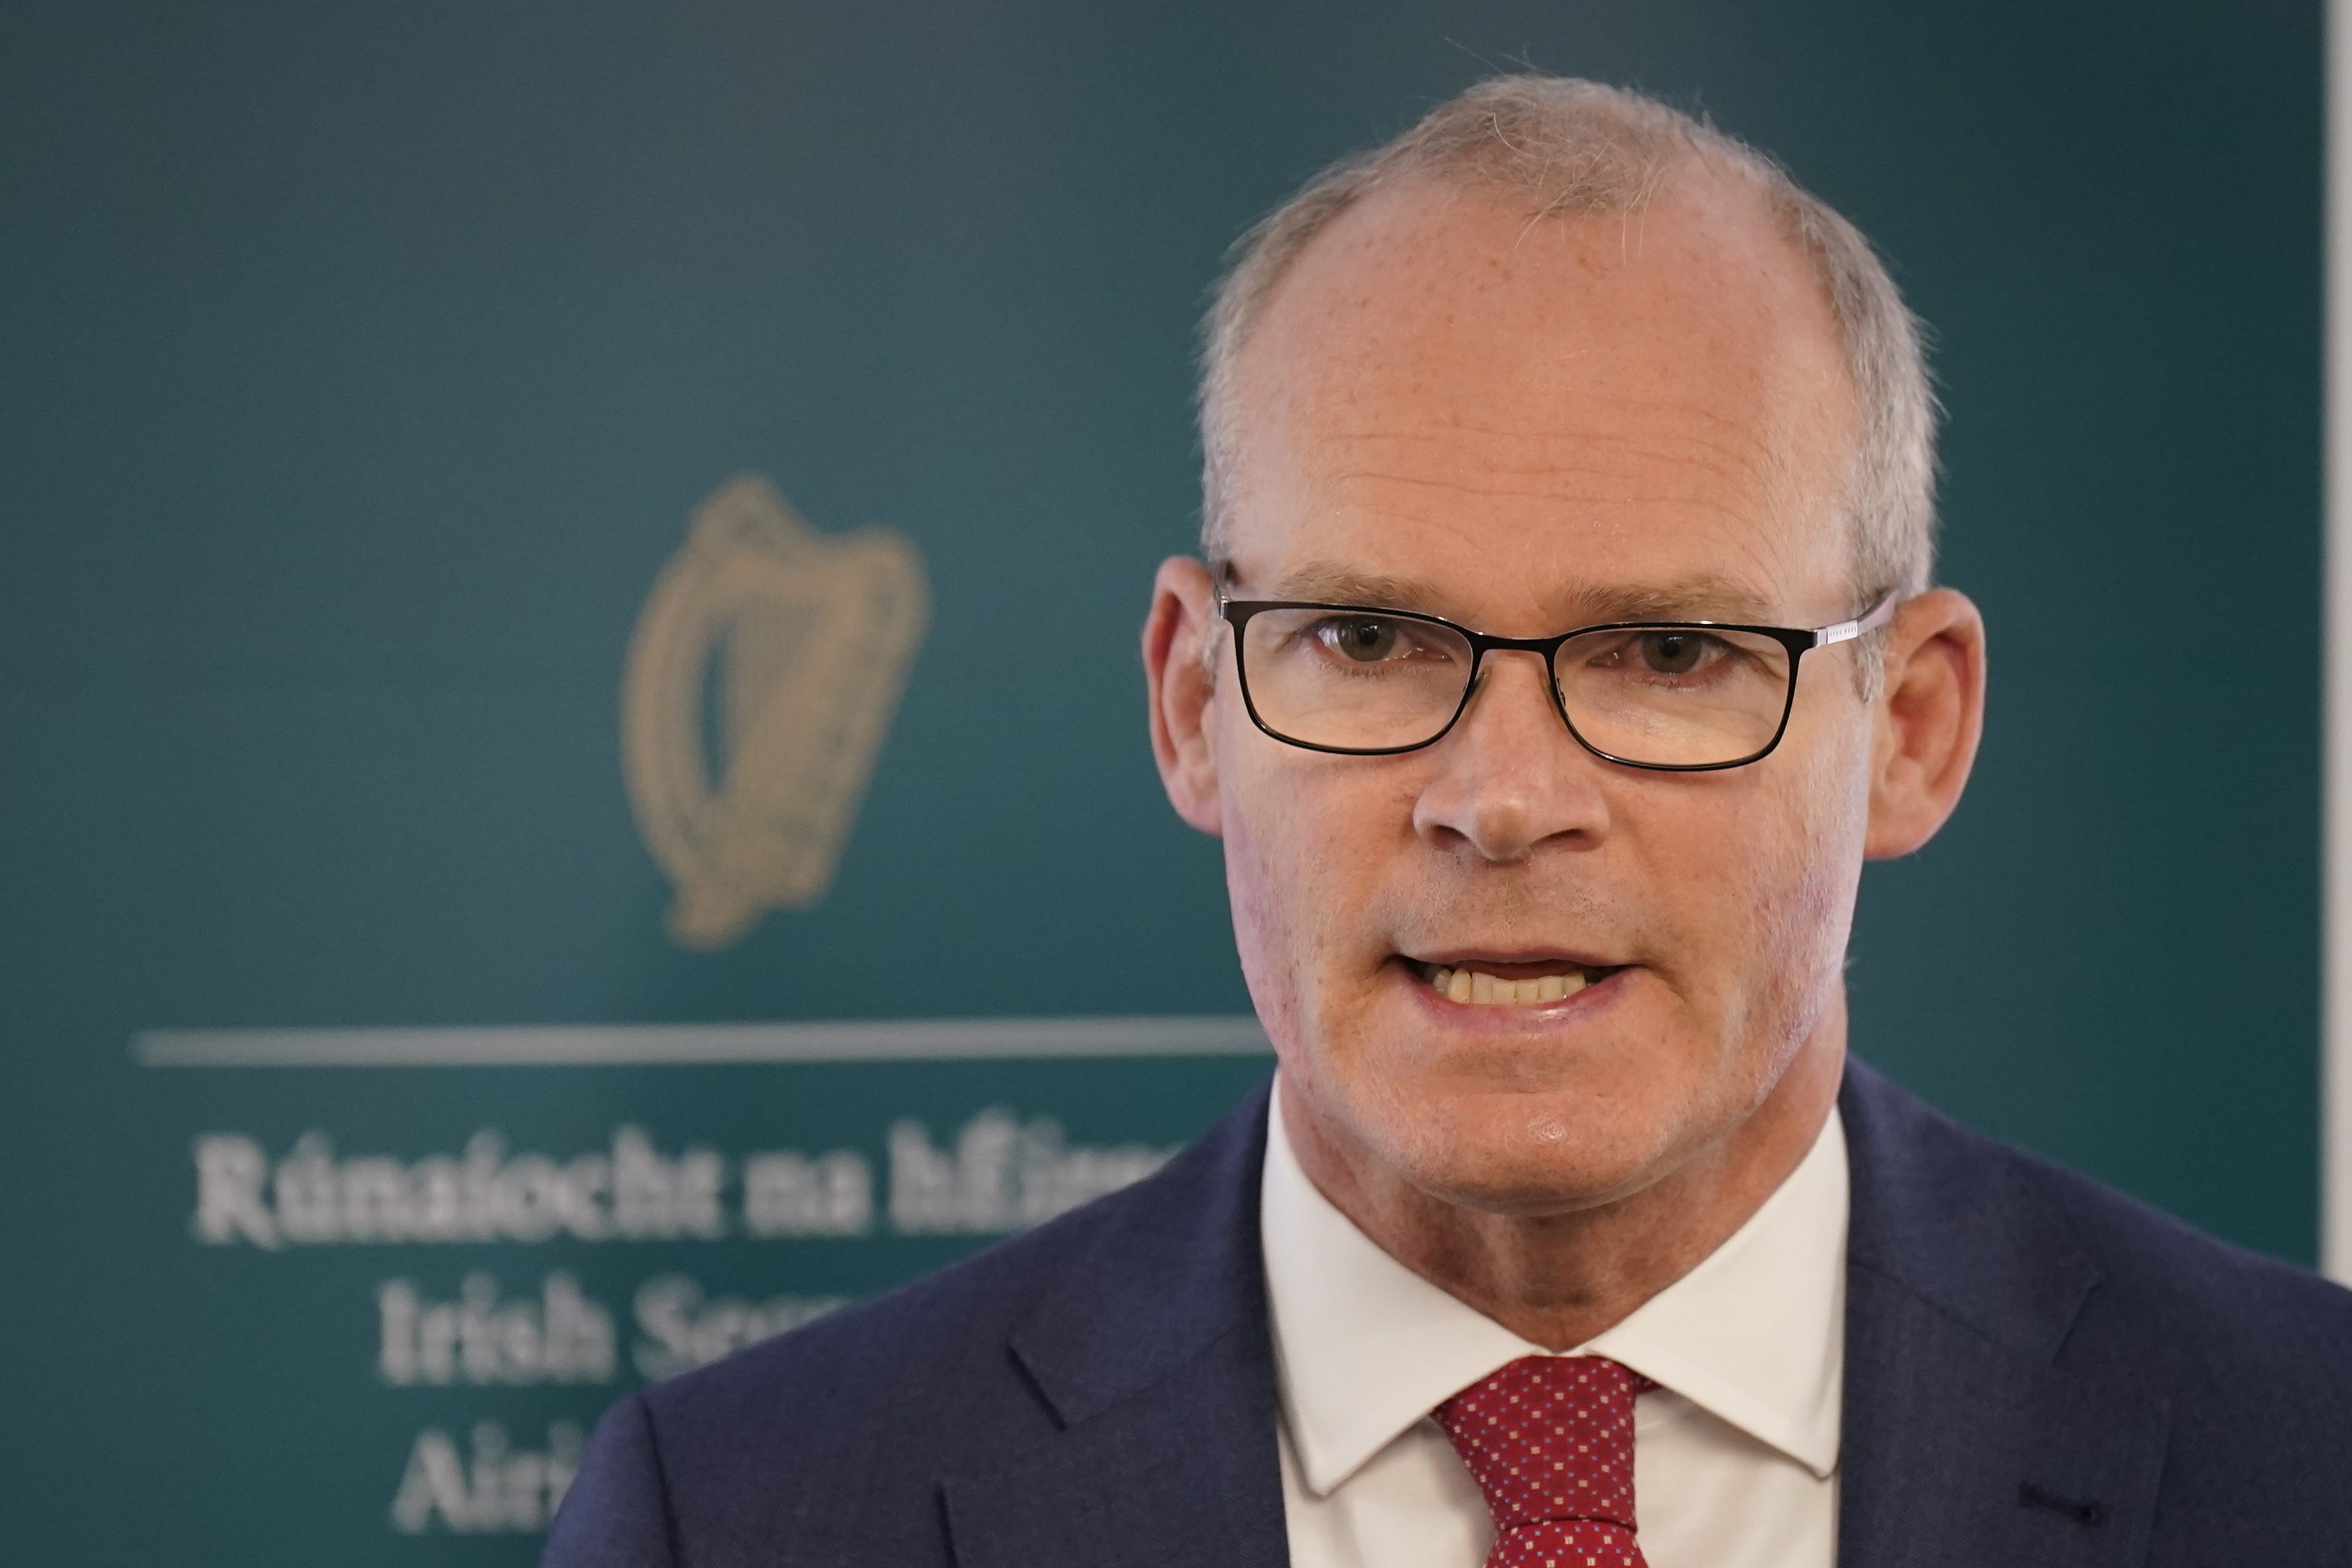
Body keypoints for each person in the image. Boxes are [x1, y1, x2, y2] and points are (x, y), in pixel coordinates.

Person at [544, 75, 2352, 1567]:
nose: (1500, 799)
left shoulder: (2305, 1462)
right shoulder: (739, 1522)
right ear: (1190, 704)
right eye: (1364, 638)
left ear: (1910, 729)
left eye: (1664, 651)